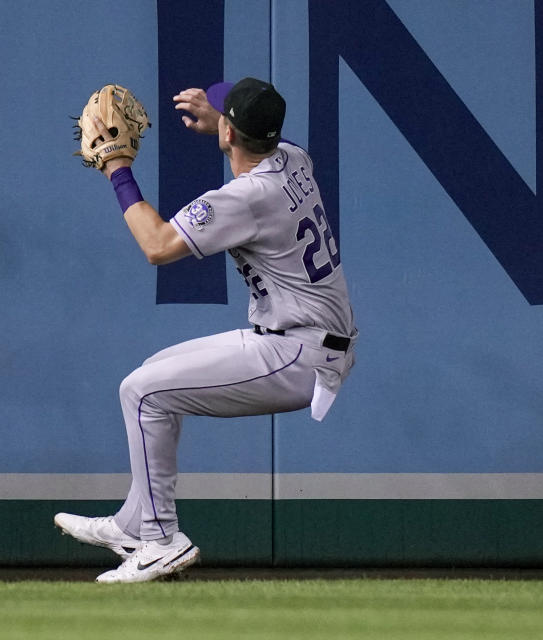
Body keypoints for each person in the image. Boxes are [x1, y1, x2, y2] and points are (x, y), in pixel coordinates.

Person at [54, 78, 357, 583]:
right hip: (304, 338)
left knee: (143, 392)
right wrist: (223, 122)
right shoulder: (294, 158)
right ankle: (134, 523)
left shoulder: (247, 197)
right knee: (153, 375)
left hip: (300, 353)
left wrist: (117, 167)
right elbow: (253, 142)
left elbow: (156, 245)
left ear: (232, 134)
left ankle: (160, 538)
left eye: (222, 110)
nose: (213, 109)